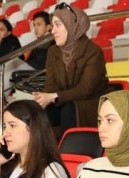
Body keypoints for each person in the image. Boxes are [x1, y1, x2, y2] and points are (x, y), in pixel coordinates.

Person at [34, 3, 109, 131]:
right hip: (65, 101)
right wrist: (43, 98)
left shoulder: (93, 51)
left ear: (72, 25)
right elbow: (51, 86)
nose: (53, 30)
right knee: (42, 110)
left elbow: (85, 90)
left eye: (58, 25)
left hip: (91, 103)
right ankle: (48, 144)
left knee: (68, 110)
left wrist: (54, 96)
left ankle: (71, 143)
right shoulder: (53, 51)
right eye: (53, 25)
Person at [0, 11, 53, 102]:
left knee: (12, 62)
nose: (35, 28)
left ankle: (3, 97)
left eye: (39, 24)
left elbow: (44, 65)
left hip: (40, 75)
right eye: (34, 25)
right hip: (30, 73)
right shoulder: (38, 42)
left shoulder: (51, 42)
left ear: (48, 27)